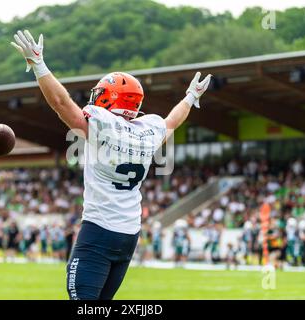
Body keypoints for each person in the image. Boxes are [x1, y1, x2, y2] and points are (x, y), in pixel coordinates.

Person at [11, 30, 211, 300]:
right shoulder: (149, 130)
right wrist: (190, 98)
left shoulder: (101, 124)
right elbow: (173, 121)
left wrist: (39, 65)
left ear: (111, 98)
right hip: (129, 233)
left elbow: (60, 103)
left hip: (98, 231)